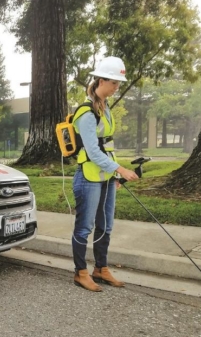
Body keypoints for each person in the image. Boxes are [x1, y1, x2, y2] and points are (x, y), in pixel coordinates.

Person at [71, 56, 139, 292]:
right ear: (101, 80)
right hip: (88, 177)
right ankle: (80, 272)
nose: (117, 87)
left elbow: (107, 147)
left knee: (106, 225)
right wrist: (120, 169)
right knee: (84, 227)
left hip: (106, 178)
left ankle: (101, 269)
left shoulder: (106, 107)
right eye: (114, 83)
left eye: (119, 83)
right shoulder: (86, 112)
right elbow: (92, 152)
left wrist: (115, 175)